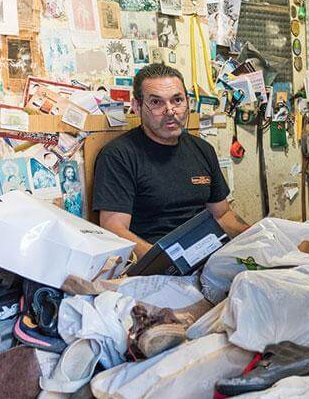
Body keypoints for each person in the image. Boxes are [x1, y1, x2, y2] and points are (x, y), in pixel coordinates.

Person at [93, 63, 251, 259]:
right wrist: (165, 263)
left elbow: (222, 215)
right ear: (137, 106)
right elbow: (115, 229)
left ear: (188, 102)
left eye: (177, 100)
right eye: (157, 102)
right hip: (156, 265)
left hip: (207, 258)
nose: (170, 110)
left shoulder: (203, 149)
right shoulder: (118, 156)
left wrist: (259, 238)